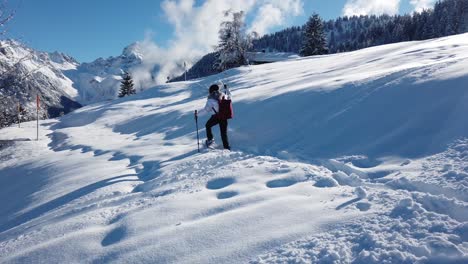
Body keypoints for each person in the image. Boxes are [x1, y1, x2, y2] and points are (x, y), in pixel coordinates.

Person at [195, 83, 231, 150]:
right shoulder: (223, 95)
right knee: (223, 133)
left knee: (208, 125)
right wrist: (227, 89)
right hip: (224, 116)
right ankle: (227, 147)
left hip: (216, 116)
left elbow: (206, 110)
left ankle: (210, 140)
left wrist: (197, 114)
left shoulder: (211, 99)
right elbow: (229, 96)